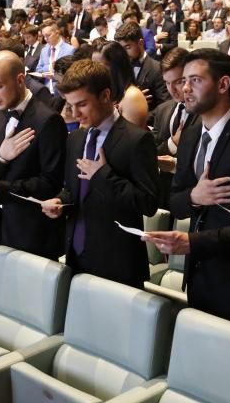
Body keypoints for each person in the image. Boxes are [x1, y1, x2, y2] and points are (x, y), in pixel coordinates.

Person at [144, 49, 230, 329]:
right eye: (183, 80)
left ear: (223, 84)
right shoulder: (191, 134)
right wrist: (194, 197)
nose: (185, 88)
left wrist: (192, 243)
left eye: (195, 80)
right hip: (199, 273)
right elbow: (174, 199)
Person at [42, 59, 159, 287]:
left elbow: (148, 203)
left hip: (117, 263)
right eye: (70, 105)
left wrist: (103, 176)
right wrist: (60, 202)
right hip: (77, 254)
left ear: (106, 96)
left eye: (82, 104)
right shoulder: (75, 138)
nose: (75, 113)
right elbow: (75, 190)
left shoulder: (137, 139)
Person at [0, 51, 67, 258]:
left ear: (20, 80)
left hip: (34, 233)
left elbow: (51, 184)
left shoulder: (49, 121)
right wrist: (1, 157)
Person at [150, 47, 190, 205]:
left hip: (193, 196)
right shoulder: (163, 109)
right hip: (163, 195)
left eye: (178, 82)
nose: (171, 90)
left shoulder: (206, 113)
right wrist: (172, 144)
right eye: (167, 83)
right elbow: (152, 152)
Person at [92, 40, 149, 127]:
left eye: (99, 66)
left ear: (116, 66)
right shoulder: (102, 91)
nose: (93, 71)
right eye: (92, 65)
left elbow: (130, 138)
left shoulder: (132, 96)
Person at [116, 21, 169, 109]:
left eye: (128, 47)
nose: (123, 53)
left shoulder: (158, 69)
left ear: (140, 43)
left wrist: (139, 113)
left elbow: (164, 108)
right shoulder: (119, 67)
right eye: (121, 49)